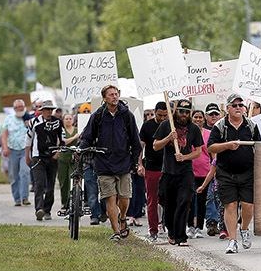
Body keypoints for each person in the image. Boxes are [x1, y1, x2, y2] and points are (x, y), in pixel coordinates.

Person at [78, 85, 143, 242]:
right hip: (104, 163)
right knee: (110, 198)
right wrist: (82, 149)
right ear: (105, 98)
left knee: (124, 198)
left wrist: (135, 162)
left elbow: (135, 141)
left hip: (123, 163)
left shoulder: (127, 115)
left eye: (116, 94)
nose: (115, 97)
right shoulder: (98, 116)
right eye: (111, 95)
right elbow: (87, 136)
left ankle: (122, 218)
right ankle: (115, 231)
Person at [207, 94, 261, 254]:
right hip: (226, 172)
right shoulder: (220, 126)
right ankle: (232, 240)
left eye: (241, 105)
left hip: (248, 172)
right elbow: (211, 147)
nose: (238, 108)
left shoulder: (251, 125)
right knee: (230, 206)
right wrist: (227, 146)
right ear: (228, 108)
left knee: (248, 206)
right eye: (235, 105)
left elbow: (259, 146)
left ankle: (244, 229)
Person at [153, 99, 203, 247]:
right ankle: (171, 232)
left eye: (187, 112)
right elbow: (155, 146)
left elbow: (198, 151)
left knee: (184, 202)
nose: (184, 114)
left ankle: (181, 236)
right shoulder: (166, 125)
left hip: (185, 172)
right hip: (169, 171)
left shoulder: (193, 128)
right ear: (176, 111)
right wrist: (168, 138)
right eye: (182, 111)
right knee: (169, 205)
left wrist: (184, 157)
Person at [26, 100, 64, 221]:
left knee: (50, 185)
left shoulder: (58, 122)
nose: (49, 112)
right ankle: (39, 209)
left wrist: (58, 153)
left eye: (50, 110)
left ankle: (47, 210)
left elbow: (62, 139)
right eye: (46, 110)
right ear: (41, 111)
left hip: (52, 157)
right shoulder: (34, 122)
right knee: (39, 183)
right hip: (38, 156)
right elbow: (28, 139)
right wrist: (27, 155)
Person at [139, 102, 168, 240]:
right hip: (151, 167)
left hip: (169, 167)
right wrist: (139, 164)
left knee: (169, 199)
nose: (162, 118)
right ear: (154, 112)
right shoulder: (147, 126)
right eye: (159, 115)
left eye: (164, 115)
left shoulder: (170, 126)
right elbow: (141, 146)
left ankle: (167, 224)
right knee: (152, 199)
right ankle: (153, 229)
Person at [1, 99, 32, 207]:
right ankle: (17, 198)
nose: (20, 108)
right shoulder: (9, 119)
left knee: (25, 172)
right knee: (14, 175)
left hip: (25, 150)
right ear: (14, 109)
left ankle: (25, 197)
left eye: (21, 106)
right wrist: (5, 148)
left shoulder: (28, 118)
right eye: (17, 107)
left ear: (24, 107)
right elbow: (4, 134)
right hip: (12, 150)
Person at [188, 109, 212, 239]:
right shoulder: (187, 133)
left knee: (202, 201)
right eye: (195, 117)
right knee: (190, 200)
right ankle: (190, 226)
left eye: (200, 117)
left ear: (204, 119)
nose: (198, 119)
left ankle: (199, 228)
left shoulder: (209, 134)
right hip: (189, 171)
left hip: (205, 171)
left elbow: (212, 153)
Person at [56, 113, 80, 214]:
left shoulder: (77, 130)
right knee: (63, 182)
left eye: (70, 118)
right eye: (66, 119)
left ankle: (73, 203)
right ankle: (64, 203)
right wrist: (74, 137)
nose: (68, 120)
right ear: (63, 120)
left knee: (73, 181)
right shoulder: (61, 131)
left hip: (74, 159)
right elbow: (62, 142)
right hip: (63, 159)